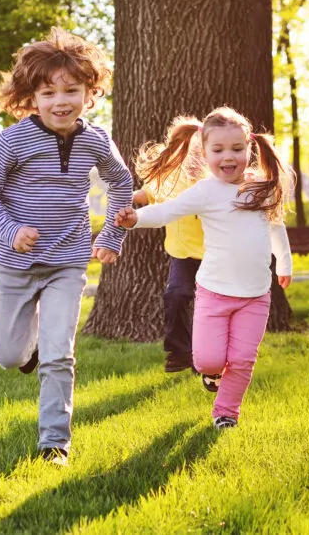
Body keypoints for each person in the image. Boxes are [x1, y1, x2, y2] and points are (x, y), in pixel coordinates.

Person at [0, 27, 132, 466]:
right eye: (48, 92)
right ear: (31, 97)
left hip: (68, 260)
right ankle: (35, 348)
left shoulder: (96, 140)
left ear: (90, 92)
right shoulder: (13, 140)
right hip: (17, 262)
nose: (60, 101)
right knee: (8, 355)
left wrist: (111, 235)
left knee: (61, 356)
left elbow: (121, 183)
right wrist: (10, 229)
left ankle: (53, 444)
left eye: (71, 90)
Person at [115, 107, 293, 429]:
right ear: (206, 152)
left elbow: (276, 226)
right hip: (214, 291)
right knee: (208, 360)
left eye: (237, 149)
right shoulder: (205, 191)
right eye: (219, 150)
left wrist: (285, 262)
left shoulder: (259, 188)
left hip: (255, 295)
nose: (229, 156)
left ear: (250, 149)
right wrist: (136, 219)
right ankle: (212, 373)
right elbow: (167, 211)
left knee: (242, 361)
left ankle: (226, 412)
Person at [132, 116, 208, 373]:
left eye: (200, 152)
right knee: (175, 296)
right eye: (190, 152)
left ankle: (206, 356)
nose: (196, 159)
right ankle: (180, 352)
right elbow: (146, 195)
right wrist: (125, 198)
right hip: (183, 254)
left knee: (210, 306)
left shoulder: (214, 177)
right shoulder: (169, 177)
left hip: (215, 254)